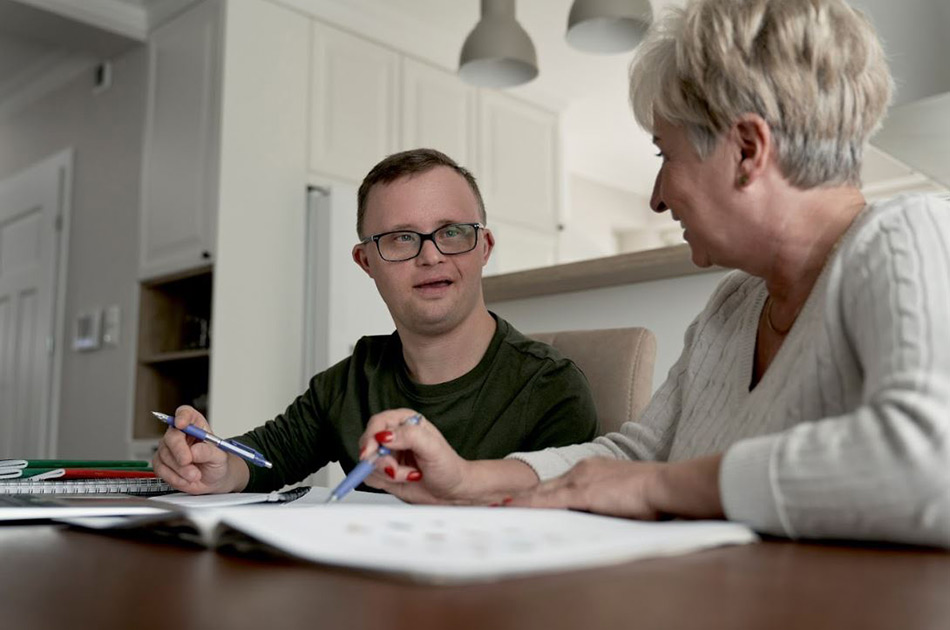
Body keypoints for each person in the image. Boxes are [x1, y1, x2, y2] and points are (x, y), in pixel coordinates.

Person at [354, 0, 950, 548]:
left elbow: (932, 462)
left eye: (666, 155)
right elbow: (634, 454)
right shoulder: (732, 306)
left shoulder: (905, 234)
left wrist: (657, 487)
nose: (658, 198)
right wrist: (464, 479)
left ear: (747, 150)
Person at [152, 148, 598, 494]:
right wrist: (213, 468)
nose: (431, 254)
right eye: (402, 238)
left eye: (452, 232)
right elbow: (263, 458)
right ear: (366, 262)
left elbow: (557, 519)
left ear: (484, 247)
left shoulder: (552, 390)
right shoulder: (349, 383)